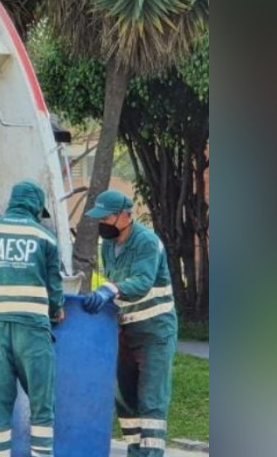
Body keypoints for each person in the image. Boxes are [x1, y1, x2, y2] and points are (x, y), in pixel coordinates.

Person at [0, 180, 64, 457]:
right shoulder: (44, 237)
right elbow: (55, 290)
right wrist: (56, 310)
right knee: (42, 407)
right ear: (34, 207)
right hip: (32, 332)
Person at [81, 190, 178, 456]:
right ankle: (136, 452)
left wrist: (108, 291)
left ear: (125, 216)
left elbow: (141, 282)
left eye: (107, 217)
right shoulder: (109, 246)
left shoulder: (147, 242)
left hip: (154, 332)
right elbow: (114, 281)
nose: (103, 224)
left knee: (151, 403)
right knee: (125, 401)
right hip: (124, 331)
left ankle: (151, 454)